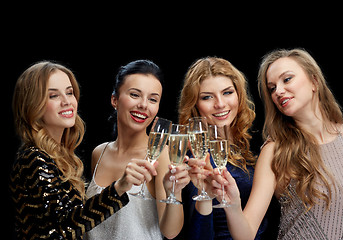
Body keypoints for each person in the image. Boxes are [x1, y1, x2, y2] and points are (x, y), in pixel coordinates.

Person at [212, 48, 343, 239]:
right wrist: (233, 205)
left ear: (314, 81)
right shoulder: (275, 150)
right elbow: (246, 234)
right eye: (272, 88)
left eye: (287, 79)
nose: (279, 91)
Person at [10, 61, 160, 239]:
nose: (66, 101)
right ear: (33, 104)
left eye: (69, 92)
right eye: (53, 96)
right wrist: (119, 187)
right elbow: (67, 226)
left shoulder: (61, 157)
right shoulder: (32, 159)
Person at [84, 60, 190, 240]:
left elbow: (170, 232)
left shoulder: (160, 155)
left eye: (153, 99)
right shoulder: (98, 153)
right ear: (114, 100)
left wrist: (175, 192)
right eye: (135, 94)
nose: (143, 105)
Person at [177, 57, 268, 239]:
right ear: (195, 104)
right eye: (207, 97)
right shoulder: (191, 156)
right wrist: (207, 197)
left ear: (239, 95)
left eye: (227, 92)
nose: (219, 104)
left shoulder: (254, 146)